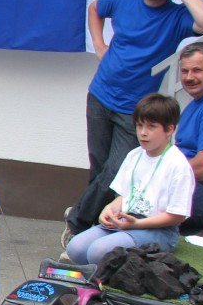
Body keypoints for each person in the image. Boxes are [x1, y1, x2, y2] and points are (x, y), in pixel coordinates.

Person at [62, 0, 203, 247]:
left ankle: (77, 223)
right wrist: (99, 44)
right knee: (100, 167)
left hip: (135, 110)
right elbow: (95, 8)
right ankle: (96, 223)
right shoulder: (122, 0)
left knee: (117, 169)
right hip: (100, 95)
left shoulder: (177, 17)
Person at [65, 93, 194, 265]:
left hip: (160, 230)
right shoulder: (134, 155)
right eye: (139, 126)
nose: (143, 133)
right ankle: (96, 277)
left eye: (151, 127)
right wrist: (108, 210)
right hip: (128, 221)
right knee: (75, 247)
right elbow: (123, 196)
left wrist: (137, 224)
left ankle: (101, 281)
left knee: (99, 251)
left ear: (169, 130)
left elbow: (177, 215)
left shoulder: (178, 164)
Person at [174, 41, 203, 231]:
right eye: (184, 71)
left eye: (197, 70)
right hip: (194, 186)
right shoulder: (197, 103)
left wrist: (163, 179)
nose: (189, 77)